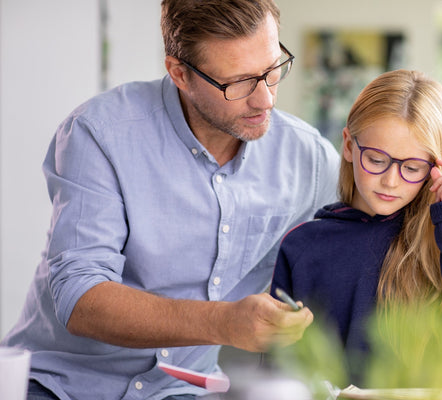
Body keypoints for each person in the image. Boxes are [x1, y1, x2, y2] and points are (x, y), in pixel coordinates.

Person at [1, 0, 340, 399]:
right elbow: (80, 296)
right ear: (180, 73)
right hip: (62, 385)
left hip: (184, 391)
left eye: (272, 70)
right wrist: (222, 322)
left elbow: (380, 218)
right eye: (239, 82)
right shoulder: (99, 134)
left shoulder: (309, 159)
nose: (265, 99)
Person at [270, 69, 442, 386]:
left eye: (412, 167)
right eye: (375, 160)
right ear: (348, 145)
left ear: (435, 169)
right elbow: (280, 370)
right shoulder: (302, 247)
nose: (390, 180)